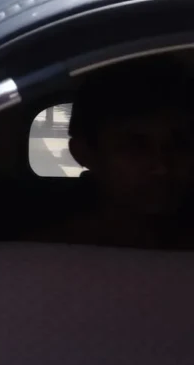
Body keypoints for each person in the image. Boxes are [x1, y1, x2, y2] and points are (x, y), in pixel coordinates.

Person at [31, 57, 194, 249]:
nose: (162, 167)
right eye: (135, 147)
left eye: (180, 145)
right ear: (84, 153)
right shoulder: (46, 254)